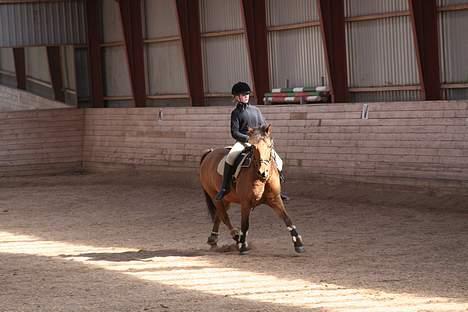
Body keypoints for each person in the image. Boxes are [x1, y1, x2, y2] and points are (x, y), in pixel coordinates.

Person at [215, 81, 288, 201]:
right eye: (243, 95)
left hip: (259, 142)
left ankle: (277, 188)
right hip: (244, 141)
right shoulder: (236, 113)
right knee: (230, 158)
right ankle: (224, 187)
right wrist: (248, 139)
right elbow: (234, 132)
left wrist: (264, 136)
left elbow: (263, 125)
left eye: (247, 94)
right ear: (237, 97)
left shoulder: (256, 110)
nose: (246, 96)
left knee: (278, 160)